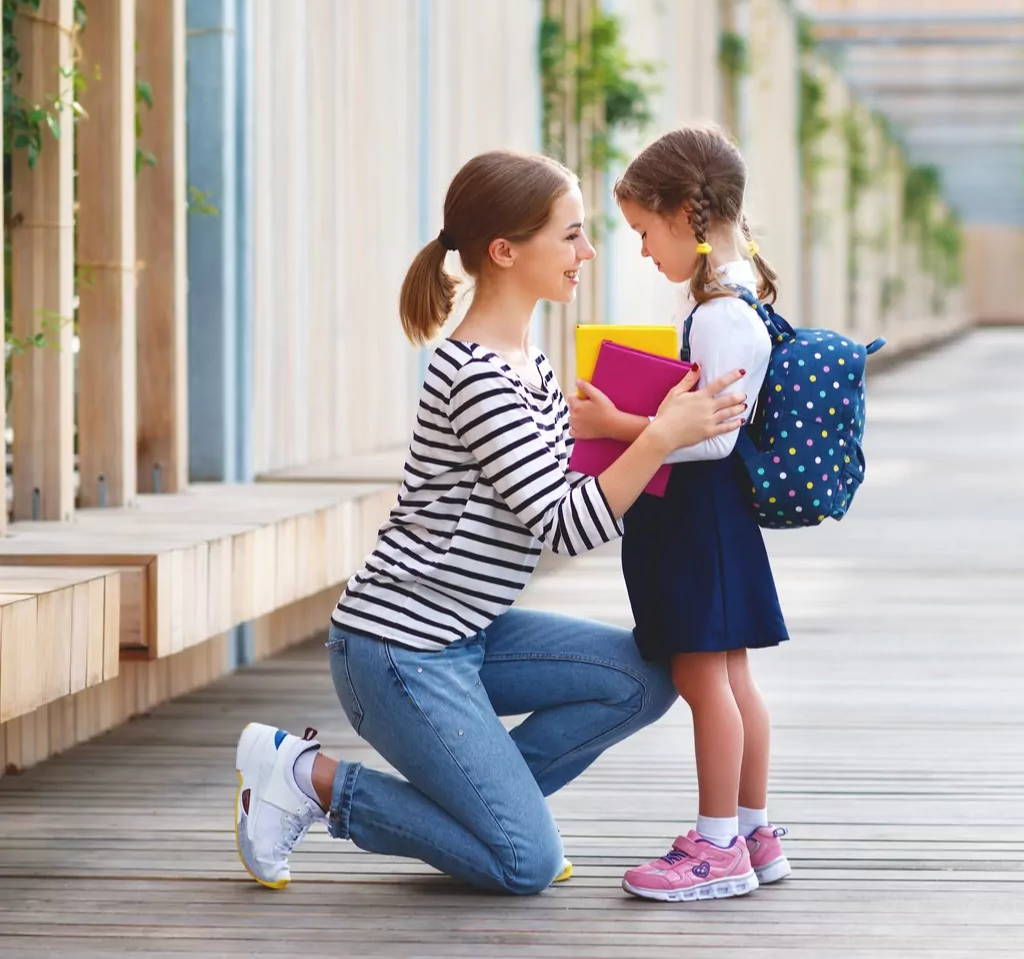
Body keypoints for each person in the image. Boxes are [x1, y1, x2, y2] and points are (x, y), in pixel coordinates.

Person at [232, 149, 750, 895]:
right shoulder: (476, 375)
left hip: (468, 633)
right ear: (505, 251)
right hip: (397, 650)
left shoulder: (528, 362)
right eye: (570, 235)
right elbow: (565, 525)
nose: (589, 251)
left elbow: (560, 479)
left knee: (646, 677)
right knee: (523, 864)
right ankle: (308, 780)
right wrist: (662, 435)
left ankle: (485, 814)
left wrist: (635, 425)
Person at [568, 125, 790, 902]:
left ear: (686, 213)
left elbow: (710, 442)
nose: (639, 250)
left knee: (706, 683)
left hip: (696, 523)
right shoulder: (733, 301)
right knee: (731, 680)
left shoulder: (720, 314)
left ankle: (718, 844)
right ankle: (752, 830)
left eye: (642, 230)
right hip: (712, 525)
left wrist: (613, 427)